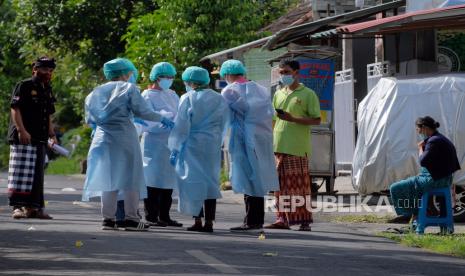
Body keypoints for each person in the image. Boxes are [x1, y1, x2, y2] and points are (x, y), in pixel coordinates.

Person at [83, 58, 174, 231]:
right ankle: (131, 219)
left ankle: (108, 220)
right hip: (124, 136)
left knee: (108, 179)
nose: (132, 75)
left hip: (102, 139)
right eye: (130, 72)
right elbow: (143, 111)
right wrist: (161, 118)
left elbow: (90, 119)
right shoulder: (129, 88)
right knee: (131, 178)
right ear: (125, 73)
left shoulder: (96, 91)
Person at [219, 60, 279, 231]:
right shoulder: (260, 89)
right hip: (262, 136)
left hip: (242, 137)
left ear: (227, 74)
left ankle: (251, 220)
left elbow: (223, 115)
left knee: (247, 177)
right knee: (257, 177)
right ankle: (255, 219)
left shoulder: (230, 90)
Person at [168, 66, 228, 232]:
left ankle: (198, 220)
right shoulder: (219, 98)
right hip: (211, 143)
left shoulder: (187, 97)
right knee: (210, 182)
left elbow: (181, 124)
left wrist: (175, 146)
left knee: (193, 182)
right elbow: (224, 122)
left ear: (191, 82)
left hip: (192, 143)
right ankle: (209, 221)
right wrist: (218, 140)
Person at [265, 59, 321, 231]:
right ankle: (282, 218)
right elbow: (274, 120)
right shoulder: (278, 93)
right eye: (281, 72)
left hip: (297, 147)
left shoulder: (308, 94)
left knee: (299, 186)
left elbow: (317, 119)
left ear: (297, 72)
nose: (283, 75)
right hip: (278, 146)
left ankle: (304, 221)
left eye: (287, 72)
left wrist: (293, 119)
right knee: (279, 186)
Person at [7, 56, 58, 220]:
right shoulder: (25, 85)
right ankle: (17, 207)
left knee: (37, 175)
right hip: (24, 136)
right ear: (35, 69)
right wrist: (21, 130)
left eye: (50, 70)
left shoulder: (47, 88)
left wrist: (52, 134)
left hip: (40, 136)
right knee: (20, 172)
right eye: (44, 69)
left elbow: (48, 114)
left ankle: (34, 208)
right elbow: (15, 109)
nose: (47, 73)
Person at [390, 116, 460, 225]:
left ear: (424, 128)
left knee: (396, 187)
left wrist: (421, 149)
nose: (418, 133)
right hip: (445, 179)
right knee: (412, 183)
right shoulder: (441, 138)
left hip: (436, 180)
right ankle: (421, 211)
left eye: (418, 130)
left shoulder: (433, 141)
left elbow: (423, 161)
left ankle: (408, 214)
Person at [140, 62, 182, 227]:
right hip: (153, 144)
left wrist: (175, 121)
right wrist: (163, 119)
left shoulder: (172, 94)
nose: (169, 80)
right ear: (156, 77)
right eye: (166, 77)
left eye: (171, 77)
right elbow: (145, 119)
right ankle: (151, 216)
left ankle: (165, 216)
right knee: (152, 180)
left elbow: (181, 114)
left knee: (168, 181)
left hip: (171, 142)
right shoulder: (146, 95)